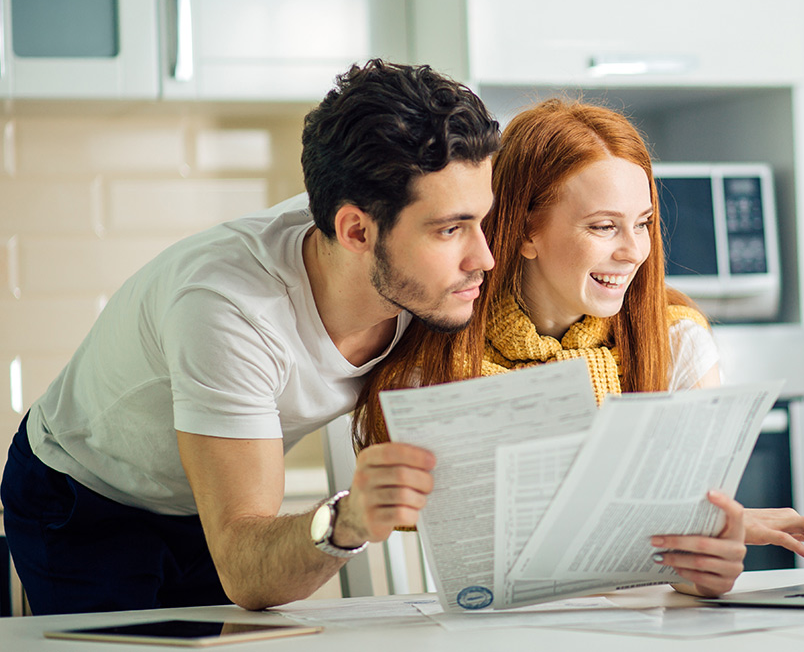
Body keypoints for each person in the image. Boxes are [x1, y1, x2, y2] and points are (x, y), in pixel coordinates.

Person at [0, 60, 498, 615]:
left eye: (481, 220)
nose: (484, 257)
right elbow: (245, 569)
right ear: (355, 230)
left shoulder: (422, 276)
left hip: (210, 503)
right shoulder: (229, 309)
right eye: (451, 229)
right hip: (85, 496)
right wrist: (348, 517)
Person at [353, 99, 804, 598]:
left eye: (642, 223)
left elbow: (685, 555)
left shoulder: (677, 341)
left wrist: (708, 569)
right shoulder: (436, 362)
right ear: (526, 230)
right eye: (603, 226)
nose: (635, 250)